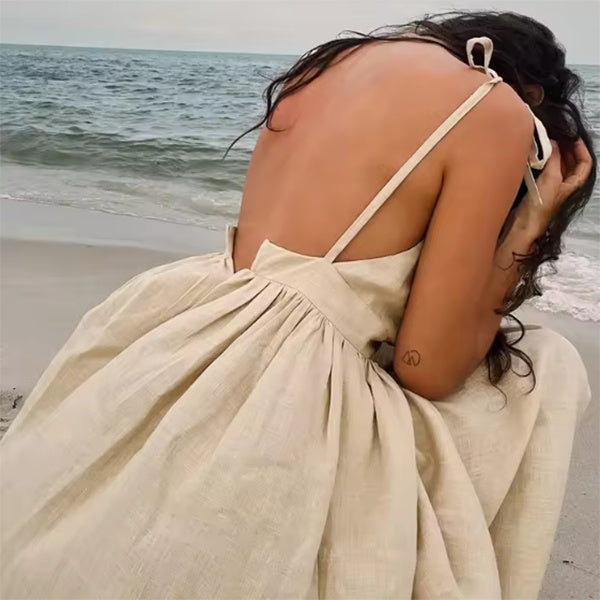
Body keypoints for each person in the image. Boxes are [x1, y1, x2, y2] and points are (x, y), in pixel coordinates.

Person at [1, 10, 596, 600]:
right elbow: (426, 369)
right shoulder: (495, 110)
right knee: (549, 366)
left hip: (197, 309)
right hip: (294, 371)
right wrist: (528, 225)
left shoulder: (325, 68)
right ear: (534, 102)